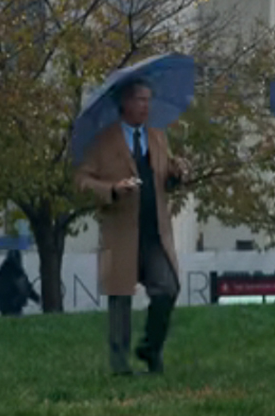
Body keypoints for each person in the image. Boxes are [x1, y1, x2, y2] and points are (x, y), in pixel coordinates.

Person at [74, 78, 187, 376]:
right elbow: (82, 182)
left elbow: (165, 179)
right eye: (139, 99)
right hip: (120, 233)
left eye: (148, 99)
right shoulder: (103, 141)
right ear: (124, 102)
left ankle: (150, 348)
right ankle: (119, 364)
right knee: (120, 298)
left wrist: (176, 174)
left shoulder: (158, 137)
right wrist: (112, 189)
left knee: (167, 288)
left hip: (154, 233)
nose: (145, 105)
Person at [0, 249, 39, 317]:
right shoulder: (7, 274)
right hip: (10, 305)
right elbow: (26, 288)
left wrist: (36, 298)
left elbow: (27, 288)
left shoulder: (3, 273)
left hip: (13, 305)